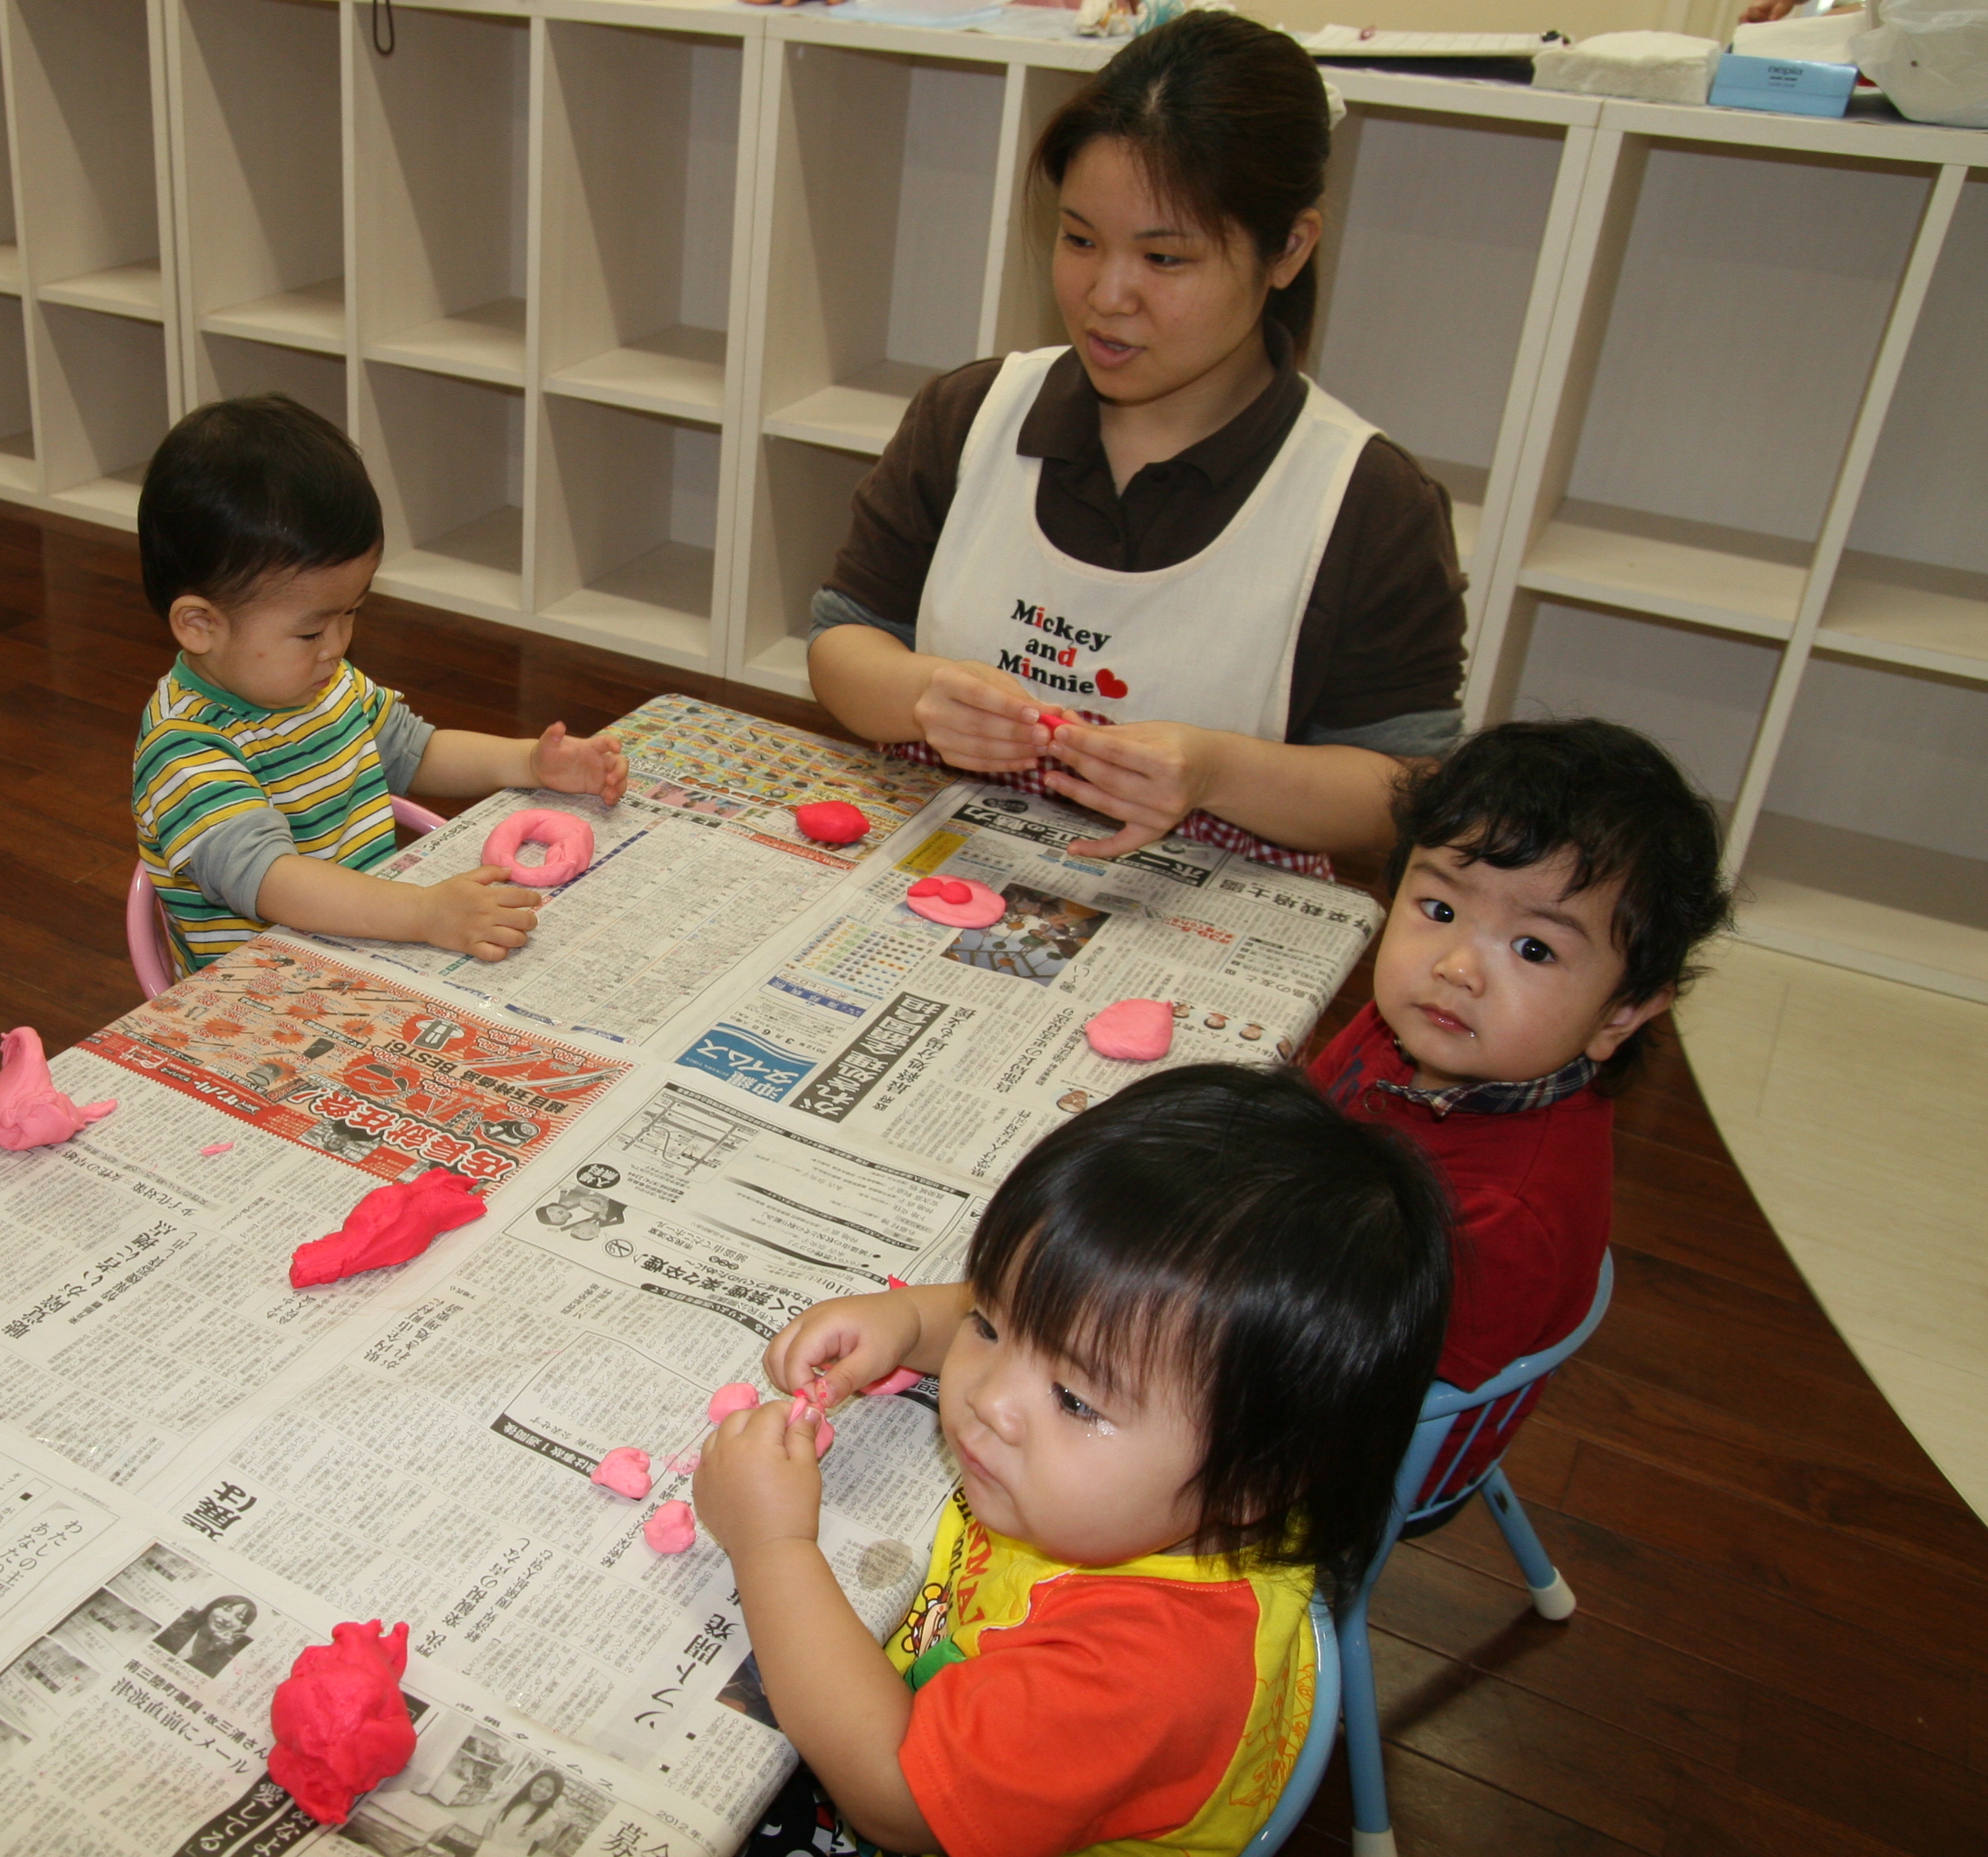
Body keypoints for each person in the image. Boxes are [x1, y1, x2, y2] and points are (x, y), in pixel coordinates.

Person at [696, 1065, 1450, 1857]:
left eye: (1077, 1400)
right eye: (991, 1323)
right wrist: (906, 1317)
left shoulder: (1136, 1677)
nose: (988, 1398)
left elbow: (896, 1802)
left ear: (1257, 1477)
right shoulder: (1207, 1458)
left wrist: (770, 1543)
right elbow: (1060, 1317)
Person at [804, 13, 1467, 878]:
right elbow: (844, 642)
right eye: (1080, 240)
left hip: (1199, 912)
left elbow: (1407, 791)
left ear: (1288, 249)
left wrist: (1217, 769)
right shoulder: (973, 415)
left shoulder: (1365, 502)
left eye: (1165, 260)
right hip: (949, 863)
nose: (1106, 295)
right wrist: (924, 697)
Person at [1310, 718, 1730, 1480]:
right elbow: (1308, 1121)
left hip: (1366, 1441)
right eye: (1439, 910)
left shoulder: (1508, 1213)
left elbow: (1366, 1389)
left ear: (1621, 1013)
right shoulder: (1408, 1027)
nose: (1458, 966)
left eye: (1534, 949)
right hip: (1314, 1280)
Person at [132, 396, 629, 975]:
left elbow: (417, 752)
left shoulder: (323, 682)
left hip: (372, 943)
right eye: (312, 628)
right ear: (200, 625)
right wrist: (423, 913)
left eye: (351, 612)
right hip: (270, 997)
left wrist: (530, 765)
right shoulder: (184, 750)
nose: (338, 644)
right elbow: (274, 884)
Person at [153, 1595, 258, 1677]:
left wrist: (213, 1650)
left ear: (241, 1627)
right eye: (226, 1609)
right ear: (212, 1608)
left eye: (239, 1617)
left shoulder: (224, 1663)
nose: (227, 1619)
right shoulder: (173, 1628)